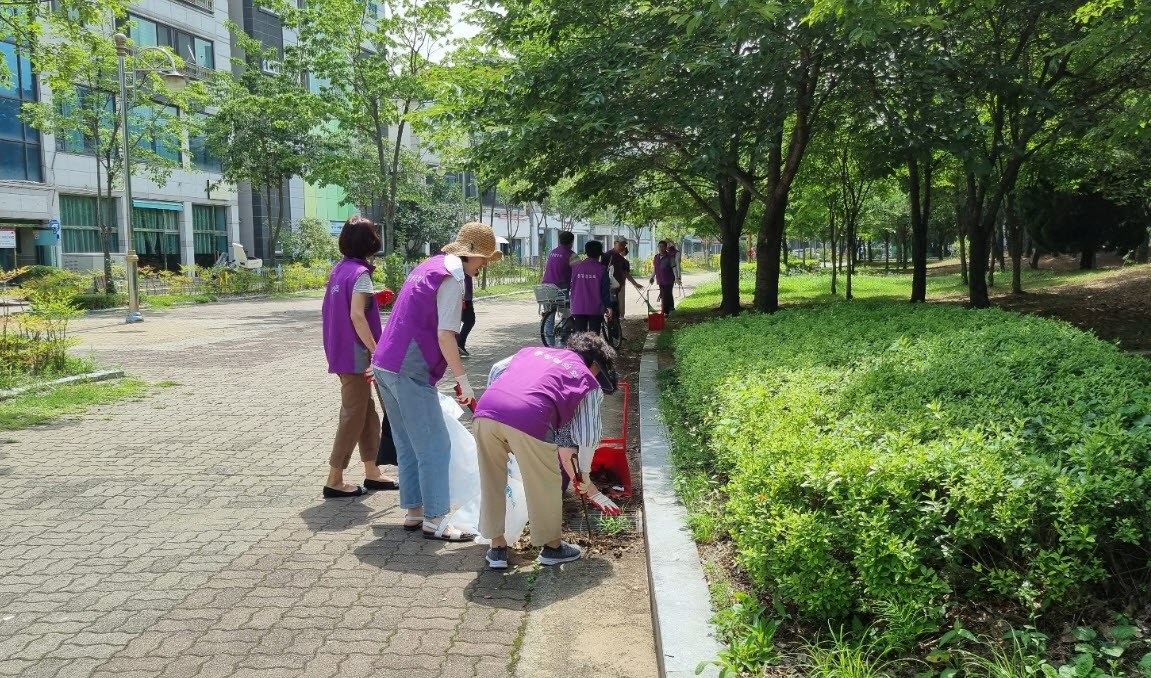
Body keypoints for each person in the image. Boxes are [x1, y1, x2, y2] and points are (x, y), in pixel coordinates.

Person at [371, 222, 500, 541]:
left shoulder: (430, 265)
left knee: (407, 442)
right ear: (472, 255)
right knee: (435, 445)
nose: (484, 264)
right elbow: (445, 335)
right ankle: (436, 520)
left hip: (385, 363)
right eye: (484, 258)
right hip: (408, 369)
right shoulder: (454, 278)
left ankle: (415, 511)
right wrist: (463, 380)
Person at [473, 333, 618, 569]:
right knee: (546, 483)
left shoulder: (533, 352)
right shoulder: (585, 379)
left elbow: (497, 368)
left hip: (486, 413)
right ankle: (552, 548)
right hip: (528, 419)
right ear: (594, 364)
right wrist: (585, 477)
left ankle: (497, 548)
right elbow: (587, 437)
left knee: (491, 482)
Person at [320, 216, 398, 499]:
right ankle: (334, 478)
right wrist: (377, 350)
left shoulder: (341, 270)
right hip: (357, 355)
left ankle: (372, 470)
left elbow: (347, 305)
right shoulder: (360, 274)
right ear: (371, 242)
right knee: (353, 414)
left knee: (366, 413)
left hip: (340, 350)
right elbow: (355, 315)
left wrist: (373, 297)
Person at [541, 231, 579, 346]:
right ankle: (563, 342)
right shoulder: (572, 255)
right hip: (561, 290)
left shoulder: (553, 252)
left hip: (546, 288)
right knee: (566, 315)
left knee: (549, 318)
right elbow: (579, 271)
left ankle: (549, 345)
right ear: (572, 242)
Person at [569, 240, 612, 335]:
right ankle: (592, 350)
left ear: (586, 252)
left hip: (578, 307)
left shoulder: (576, 268)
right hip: (595, 308)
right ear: (599, 254)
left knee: (580, 338)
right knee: (594, 337)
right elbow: (605, 291)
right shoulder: (602, 269)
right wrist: (608, 306)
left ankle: (580, 350)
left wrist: (572, 306)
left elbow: (572, 287)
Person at [602, 237, 644, 322]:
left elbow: (626, 274)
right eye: (620, 245)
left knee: (617, 311)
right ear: (615, 243)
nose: (622, 248)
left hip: (620, 287)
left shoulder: (623, 261)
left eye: (623, 246)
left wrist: (635, 284)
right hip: (608, 288)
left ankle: (617, 332)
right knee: (610, 311)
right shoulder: (606, 256)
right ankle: (612, 330)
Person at [649, 240, 676, 316]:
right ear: (658, 247)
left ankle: (668, 309)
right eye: (660, 246)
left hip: (669, 279)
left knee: (667, 294)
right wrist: (652, 277)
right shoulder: (656, 257)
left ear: (666, 247)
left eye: (663, 247)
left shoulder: (670, 257)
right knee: (662, 294)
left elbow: (674, 268)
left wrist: (677, 278)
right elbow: (655, 268)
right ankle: (665, 310)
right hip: (660, 279)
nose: (661, 248)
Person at [457, 274, 475, 357]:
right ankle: (459, 344)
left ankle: (457, 344)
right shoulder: (462, 264)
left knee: (461, 320)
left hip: (464, 297)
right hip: (464, 298)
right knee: (469, 320)